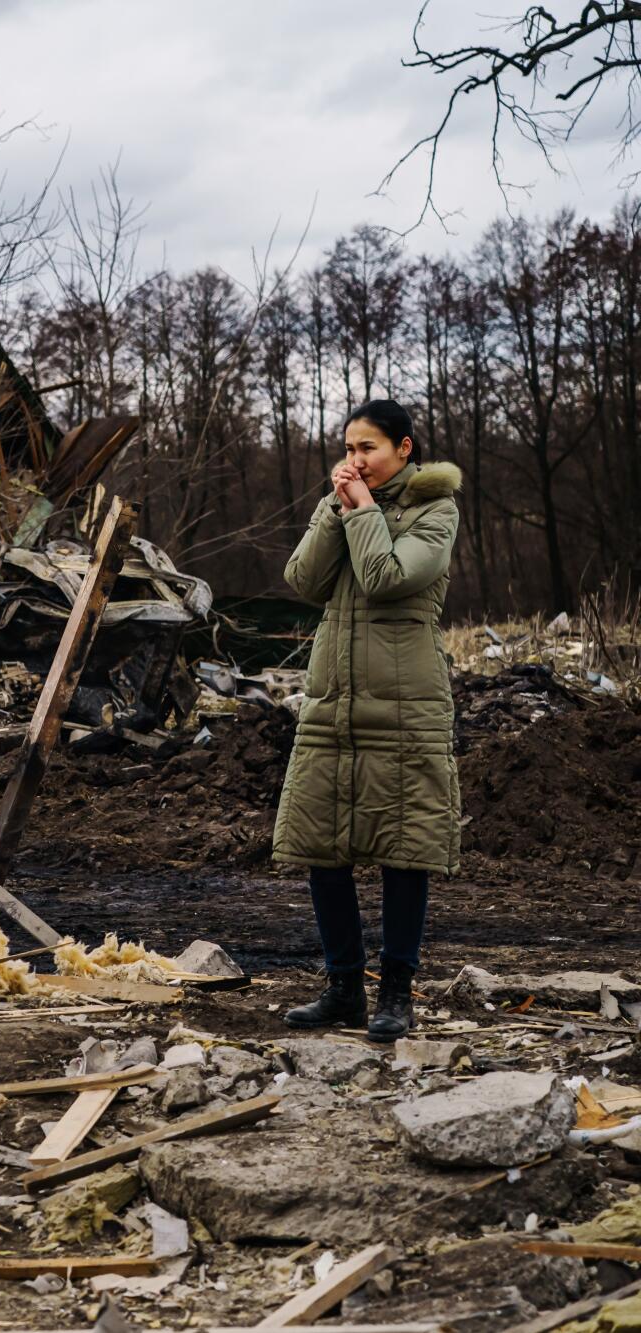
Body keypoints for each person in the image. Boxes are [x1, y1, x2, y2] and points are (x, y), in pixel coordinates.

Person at [272, 399, 463, 1042]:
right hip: (333, 698)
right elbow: (303, 578)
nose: (355, 461)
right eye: (349, 449)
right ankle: (343, 990)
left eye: (369, 449)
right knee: (323, 846)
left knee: (403, 852)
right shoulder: (347, 502)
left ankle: (398, 996)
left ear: (404, 449)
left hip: (406, 703)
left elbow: (385, 577)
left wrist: (361, 511)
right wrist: (336, 509)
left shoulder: (436, 510)